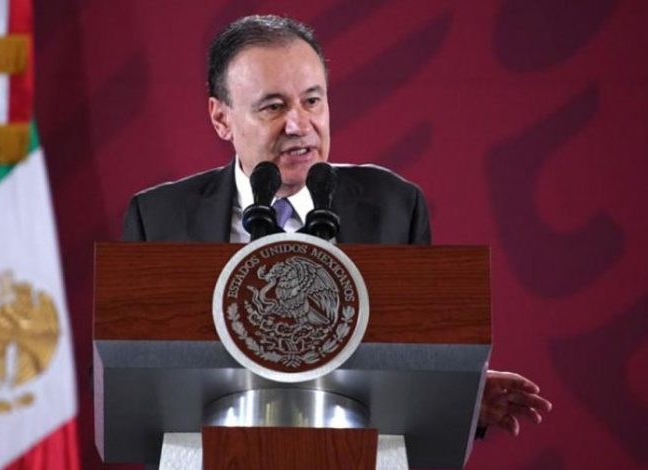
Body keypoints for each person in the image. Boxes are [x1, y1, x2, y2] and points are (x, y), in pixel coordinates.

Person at [123, 14, 551, 437]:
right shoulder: (158, 218)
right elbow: (123, 372)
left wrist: (457, 395)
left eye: (312, 101)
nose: (299, 125)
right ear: (221, 118)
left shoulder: (394, 206)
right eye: (273, 107)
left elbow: (413, 357)